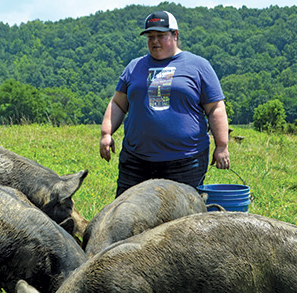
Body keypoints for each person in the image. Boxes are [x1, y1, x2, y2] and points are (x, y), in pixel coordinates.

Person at [99, 10, 231, 197]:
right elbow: (118, 103)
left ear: (175, 35)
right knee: (128, 213)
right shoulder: (134, 67)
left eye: (161, 36)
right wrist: (106, 133)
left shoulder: (198, 66)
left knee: (180, 219)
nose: (154, 41)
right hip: (136, 161)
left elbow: (215, 108)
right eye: (150, 37)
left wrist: (222, 146)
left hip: (185, 161)